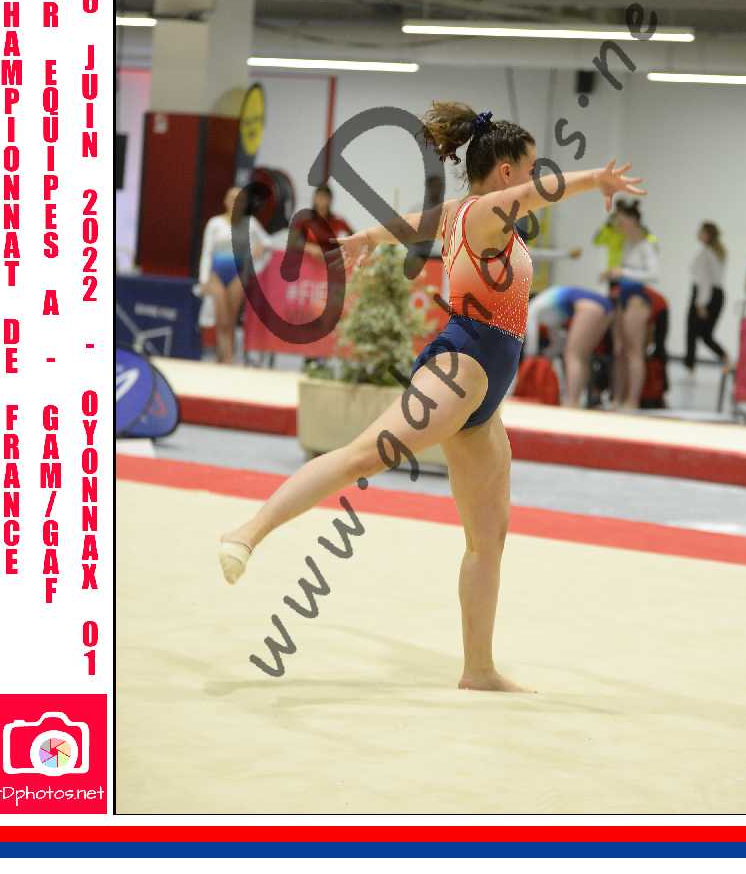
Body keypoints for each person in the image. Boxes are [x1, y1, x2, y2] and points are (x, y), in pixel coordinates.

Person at [218, 102, 644, 693]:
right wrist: (596, 178)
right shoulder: (488, 212)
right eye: (527, 166)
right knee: (363, 456)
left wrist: (368, 236)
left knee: (488, 539)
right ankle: (248, 531)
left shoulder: (461, 212)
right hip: (461, 365)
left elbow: (414, 223)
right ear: (506, 173)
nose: (530, 176)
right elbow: (539, 193)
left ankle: (478, 669)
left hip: (485, 389)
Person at [198, 187, 271, 364]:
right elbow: (207, 252)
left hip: (237, 275)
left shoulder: (250, 223)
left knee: (230, 319)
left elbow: (268, 242)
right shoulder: (215, 223)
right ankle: (226, 357)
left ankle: (224, 358)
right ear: (225, 201)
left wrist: (258, 250)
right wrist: (203, 280)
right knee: (221, 318)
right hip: (216, 274)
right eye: (232, 198)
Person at [603, 200, 660, 410]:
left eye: (622, 221)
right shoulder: (626, 244)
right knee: (619, 349)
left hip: (637, 298)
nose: (619, 226)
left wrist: (623, 272)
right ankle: (617, 398)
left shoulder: (646, 245)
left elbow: (654, 274)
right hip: (621, 295)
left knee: (634, 350)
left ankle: (632, 400)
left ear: (633, 221)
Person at [523, 285, 614, 407]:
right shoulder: (548, 309)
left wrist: (530, 357)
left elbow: (531, 338)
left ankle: (571, 401)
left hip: (589, 305)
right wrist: (547, 355)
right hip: (605, 307)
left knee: (573, 356)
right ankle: (578, 400)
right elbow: (558, 340)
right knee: (582, 357)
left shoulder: (532, 308)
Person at [685, 221, 729, 372]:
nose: (698, 233)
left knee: (695, 332)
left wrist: (701, 303)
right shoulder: (717, 253)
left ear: (708, 235)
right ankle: (724, 357)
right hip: (716, 295)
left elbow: (705, 280)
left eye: (701, 231)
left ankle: (690, 365)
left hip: (705, 295)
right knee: (705, 334)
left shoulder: (706, 254)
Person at [288, 183, 353, 262]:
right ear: (314, 198)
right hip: (307, 261)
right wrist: (309, 247)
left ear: (330, 200)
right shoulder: (304, 219)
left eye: (324, 196)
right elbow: (292, 242)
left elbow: (354, 238)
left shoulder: (338, 221)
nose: (321, 199)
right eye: (318, 196)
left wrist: (342, 248)